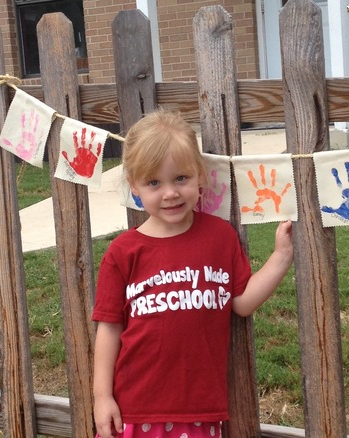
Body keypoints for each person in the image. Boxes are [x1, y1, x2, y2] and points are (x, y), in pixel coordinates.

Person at [92, 109, 294, 438]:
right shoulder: (123, 252)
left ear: (200, 175)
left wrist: (281, 256)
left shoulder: (219, 236)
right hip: (132, 409)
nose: (170, 193)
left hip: (198, 410)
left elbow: (241, 303)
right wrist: (102, 397)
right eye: (154, 183)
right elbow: (109, 329)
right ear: (135, 187)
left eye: (180, 179)